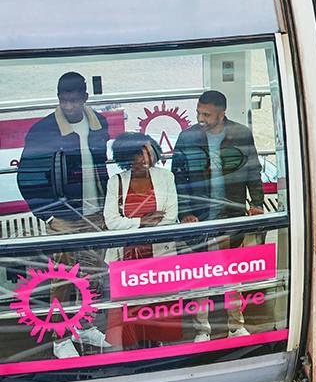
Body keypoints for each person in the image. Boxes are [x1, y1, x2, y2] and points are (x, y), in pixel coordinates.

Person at [16, 71, 111, 357]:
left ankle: (83, 325)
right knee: (62, 281)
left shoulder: (100, 124)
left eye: (73, 100)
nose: (68, 106)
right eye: (63, 101)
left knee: (92, 276)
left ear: (85, 98)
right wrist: (47, 215)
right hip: (63, 218)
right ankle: (60, 338)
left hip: (96, 214)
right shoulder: (43, 130)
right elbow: (27, 177)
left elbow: (102, 165)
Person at [171, 90, 264, 341]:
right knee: (201, 275)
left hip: (230, 214)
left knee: (232, 273)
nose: (201, 118)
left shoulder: (240, 133)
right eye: (198, 112)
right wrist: (185, 212)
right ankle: (203, 329)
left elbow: (253, 171)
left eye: (207, 114)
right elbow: (177, 177)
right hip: (199, 218)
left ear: (222, 114)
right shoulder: (187, 137)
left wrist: (256, 203)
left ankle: (236, 325)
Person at [103, 133, 180, 347]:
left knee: (158, 310)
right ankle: (135, 353)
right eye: (138, 154)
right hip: (127, 259)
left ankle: (158, 349)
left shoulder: (166, 177)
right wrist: (142, 223)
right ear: (125, 157)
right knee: (131, 314)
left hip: (158, 256)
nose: (143, 159)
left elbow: (171, 217)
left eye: (148, 153)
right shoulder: (116, 182)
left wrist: (132, 222)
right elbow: (111, 221)